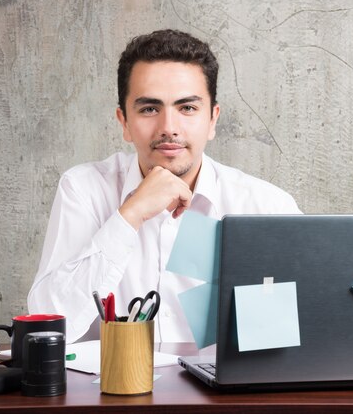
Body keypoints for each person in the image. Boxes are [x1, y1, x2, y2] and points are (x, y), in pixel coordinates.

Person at [27, 29, 301, 343]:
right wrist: (129, 217)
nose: (169, 128)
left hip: (225, 391)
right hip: (112, 389)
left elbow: (295, 335)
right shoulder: (84, 190)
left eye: (187, 108)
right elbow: (46, 324)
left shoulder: (265, 206)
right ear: (124, 123)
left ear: (212, 120)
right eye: (149, 109)